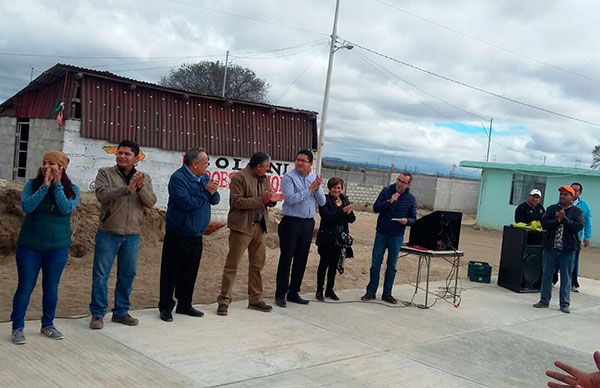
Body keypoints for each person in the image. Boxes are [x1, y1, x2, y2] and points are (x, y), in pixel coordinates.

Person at [10, 151, 80, 344]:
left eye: (52, 164)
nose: (46, 167)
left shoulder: (72, 189)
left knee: (51, 287)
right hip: (29, 246)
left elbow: (65, 208)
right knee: (25, 286)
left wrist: (56, 186)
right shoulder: (31, 185)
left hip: (57, 247)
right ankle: (17, 327)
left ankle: (47, 324)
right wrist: (44, 187)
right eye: (44, 163)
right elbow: (27, 206)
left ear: (61, 168)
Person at [89, 140, 157, 329]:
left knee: (128, 274)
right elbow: (101, 195)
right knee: (101, 274)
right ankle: (97, 313)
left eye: (127, 154)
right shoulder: (105, 173)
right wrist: (126, 190)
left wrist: (141, 187)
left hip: (133, 234)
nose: (122, 156)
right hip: (108, 232)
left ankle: (121, 312)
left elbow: (151, 202)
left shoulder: (145, 178)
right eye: (120, 153)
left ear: (136, 158)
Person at [216, 152, 283, 316]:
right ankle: (224, 300)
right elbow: (237, 202)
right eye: (266, 166)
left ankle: (255, 299)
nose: (269, 169)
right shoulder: (239, 177)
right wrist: (262, 199)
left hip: (260, 227)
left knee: (257, 265)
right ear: (258, 166)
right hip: (242, 227)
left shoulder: (265, 178)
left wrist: (272, 199)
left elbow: (266, 200)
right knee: (232, 265)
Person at [159, 147, 220, 322]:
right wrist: (206, 192)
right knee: (171, 271)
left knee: (190, 271)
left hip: (197, 233)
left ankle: (185, 304)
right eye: (205, 162)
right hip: (179, 232)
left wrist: (213, 191)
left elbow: (215, 200)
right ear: (194, 164)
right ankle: (165, 307)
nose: (208, 165)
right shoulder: (178, 178)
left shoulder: (204, 177)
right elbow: (187, 203)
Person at [275, 149, 326, 307]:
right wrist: (310, 189)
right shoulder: (289, 178)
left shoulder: (313, 178)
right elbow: (290, 199)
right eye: (298, 160)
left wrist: (316, 188)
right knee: (286, 258)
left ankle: (293, 292)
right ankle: (281, 293)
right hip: (291, 222)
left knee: (301, 259)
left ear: (310, 164)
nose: (299, 163)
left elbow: (323, 202)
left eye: (303, 161)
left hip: (308, 223)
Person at [361, 172, 416, 304]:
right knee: (376, 264)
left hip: (397, 236)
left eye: (403, 182)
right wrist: (389, 201)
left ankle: (387, 293)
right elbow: (375, 208)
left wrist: (406, 221)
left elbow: (413, 219)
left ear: (408, 185)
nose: (399, 183)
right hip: (381, 233)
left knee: (391, 266)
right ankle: (371, 291)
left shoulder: (410, 199)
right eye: (398, 180)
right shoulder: (386, 191)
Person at [533, 185, 583, 314]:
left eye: (565, 194)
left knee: (566, 277)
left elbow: (578, 227)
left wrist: (564, 220)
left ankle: (564, 304)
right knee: (546, 275)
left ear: (571, 197)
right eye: (561, 194)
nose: (562, 196)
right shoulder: (551, 209)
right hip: (551, 248)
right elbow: (544, 223)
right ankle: (544, 301)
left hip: (567, 250)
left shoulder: (577, 212)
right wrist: (557, 220)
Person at [315, 177, 355, 302]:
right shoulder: (325, 200)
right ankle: (319, 289)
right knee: (323, 264)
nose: (336, 190)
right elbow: (327, 216)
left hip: (340, 239)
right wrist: (341, 211)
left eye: (339, 188)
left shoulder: (345, 200)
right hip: (327, 237)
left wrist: (348, 213)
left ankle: (329, 290)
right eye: (334, 187)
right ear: (329, 188)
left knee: (333, 265)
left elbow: (352, 219)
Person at [553, 182, 592, 292]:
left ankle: (573, 283)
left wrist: (587, 236)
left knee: (572, 262)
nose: (574, 192)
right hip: (560, 237)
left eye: (577, 190)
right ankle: (553, 279)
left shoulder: (584, 206)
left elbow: (587, 222)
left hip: (575, 238)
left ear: (580, 193)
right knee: (556, 259)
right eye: (572, 189)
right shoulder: (561, 203)